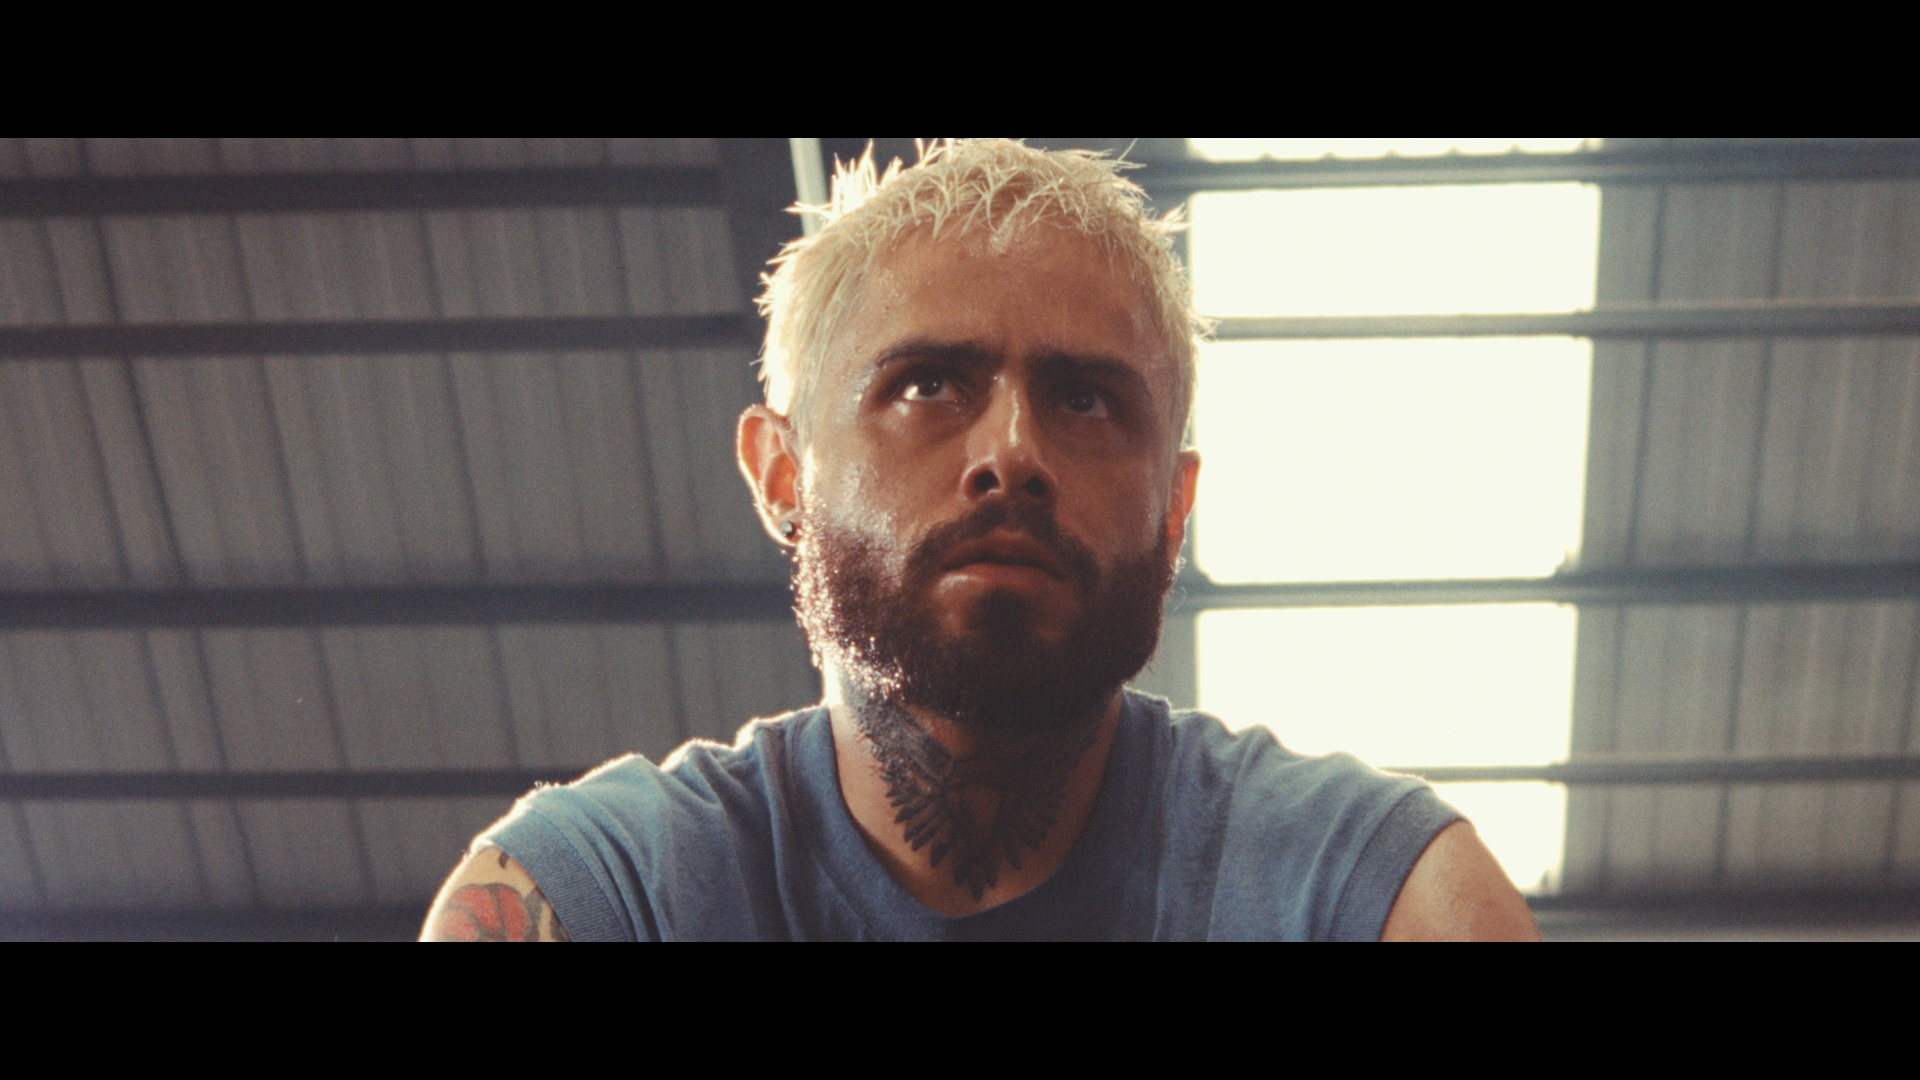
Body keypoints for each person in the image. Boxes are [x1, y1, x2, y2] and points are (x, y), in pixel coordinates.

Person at [421, 140, 1539, 941]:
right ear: (781, 471)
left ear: (1174, 505)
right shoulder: (591, 899)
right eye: (928, 383)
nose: (1013, 452)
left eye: (1088, 400)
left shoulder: (1385, 896)